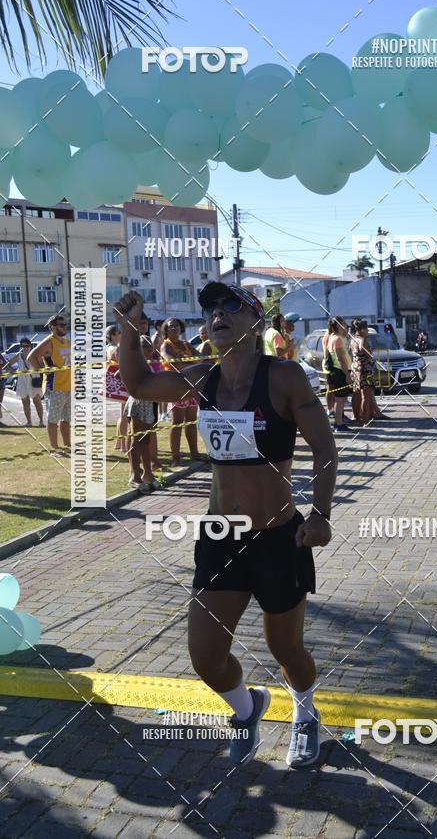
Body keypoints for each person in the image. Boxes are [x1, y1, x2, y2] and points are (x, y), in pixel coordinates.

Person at [115, 282, 337, 769]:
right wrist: (130, 333)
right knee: (206, 656)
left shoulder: (284, 378)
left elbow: (324, 447)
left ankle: (305, 713)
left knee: (286, 647)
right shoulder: (202, 378)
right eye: (211, 309)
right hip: (220, 539)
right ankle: (246, 709)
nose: (217, 314)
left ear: (256, 322)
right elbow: (138, 385)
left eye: (230, 306)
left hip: (279, 538)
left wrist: (320, 513)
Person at [123, 312, 161, 493]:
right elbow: (118, 374)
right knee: (136, 440)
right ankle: (135, 475)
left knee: (145, 440)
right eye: (145, 345)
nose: (149, 348)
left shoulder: (153, 359)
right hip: (138, 402)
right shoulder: (135, 360)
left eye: (150, 345)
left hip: (149, 402)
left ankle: (148, 473)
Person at [27, 315, 71, 455]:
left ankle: (67, 446)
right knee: (53, 420)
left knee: (66, 420)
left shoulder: (67, 342)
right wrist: (42, 370)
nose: (64, 327)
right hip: (55, 386)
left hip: (68, 385)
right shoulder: (49, 342)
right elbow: (31, 357)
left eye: (65, 324)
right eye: (61, 325)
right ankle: (54, 449)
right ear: (53, 327)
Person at [161, 317, 201, 466]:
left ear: (181, 328)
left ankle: (195, 454)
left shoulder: (185, 344)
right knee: (177, 422)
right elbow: (174, 363)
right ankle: (175, 458)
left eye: (176, 326)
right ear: (166, 329)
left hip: (191, 387)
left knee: (191, 421)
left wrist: (185, 361)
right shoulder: (165, 345)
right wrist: (190, 362)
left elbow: (202, 358)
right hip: (175, 387)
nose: (174, 328)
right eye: (170, 326)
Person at [4, 338, 45, 427]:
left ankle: (41, 421)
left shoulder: (35, 354)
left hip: (34, 379)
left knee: (37, 401)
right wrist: (12, 371)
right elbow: (7, 364)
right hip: (22, 380)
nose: (25, 348)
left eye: (27, 346)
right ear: (21, 346)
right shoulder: (19, 356)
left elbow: (43, 365)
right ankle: (29, 422)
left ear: (30, 346)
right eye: (23, 346)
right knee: (25, 402)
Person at [324, 317, 352, 433]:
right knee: (340, 400)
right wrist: (347, 374)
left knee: (340, 399)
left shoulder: (336, 337)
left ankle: (338, 422)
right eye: (344, 324)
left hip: (339, 371)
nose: (346, 325)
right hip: (339, 371)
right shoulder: (336, 339)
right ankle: (339, 424)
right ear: (339, 326)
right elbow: (340, 358)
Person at [105, 325, 129, 452]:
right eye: (119, 332)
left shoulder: (108, 348)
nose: (121, 334)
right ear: (113, 335)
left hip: (114, 384)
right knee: (124, 415)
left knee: (122, 414)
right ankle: (124, 444)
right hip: (121, 382)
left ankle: (119, 442)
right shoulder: (117, 349)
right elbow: (123, 367)